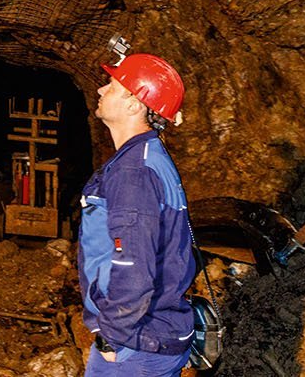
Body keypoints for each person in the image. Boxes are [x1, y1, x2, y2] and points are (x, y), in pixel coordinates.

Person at [76, 51, 198, 376]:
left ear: (134, 105)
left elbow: (133, 267)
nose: (101, 91)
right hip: (155, 335)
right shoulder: (149, 157)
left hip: (138, 345)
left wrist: (112, 340)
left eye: (113, 86)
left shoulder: (134, 173)